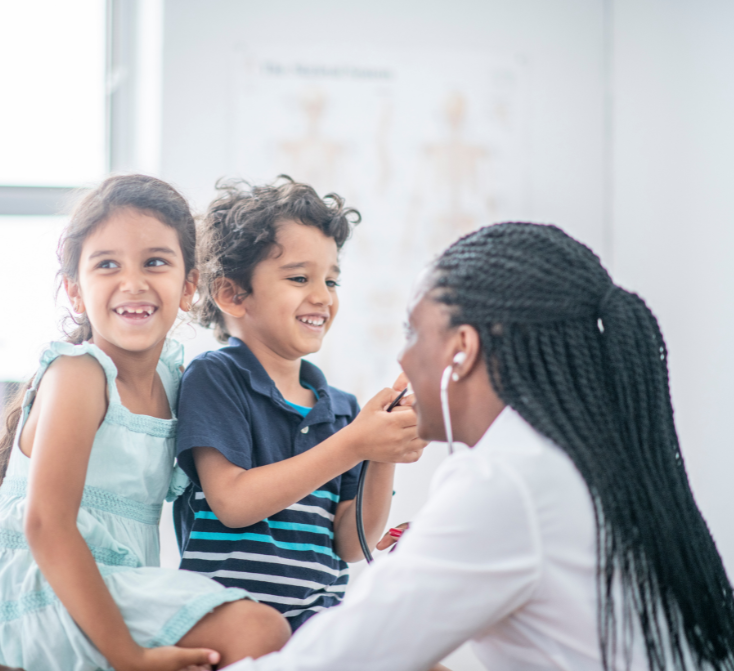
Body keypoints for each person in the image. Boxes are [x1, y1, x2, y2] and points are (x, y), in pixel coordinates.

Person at [224, 222, 734, 671]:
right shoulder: (564, 460)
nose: (402, 357)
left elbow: (341, 660)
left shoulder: (506, 479)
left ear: (462, 349)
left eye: (412, 332)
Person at [0, 175, 290, 671]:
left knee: (254, 632)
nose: (133, 282)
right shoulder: (80, 374)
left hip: (107, 586)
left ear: (189, 286)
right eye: (107, 264)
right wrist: (128, 656)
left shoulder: (176, 382)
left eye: (155, 262)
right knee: (258, 630)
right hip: (36, 589)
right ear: (75, 291)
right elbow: (46, 525)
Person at [173, 177, 425, 630]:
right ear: (232, 295)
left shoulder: (342, 409)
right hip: (232, 626)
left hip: (317, 626)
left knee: (420, 653)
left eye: (331, 280)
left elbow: (352, 544)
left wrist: (381, 452)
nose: (323, 296)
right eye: (299, 278)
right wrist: (355, 444)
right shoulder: (216, 377)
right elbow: (233, 502)